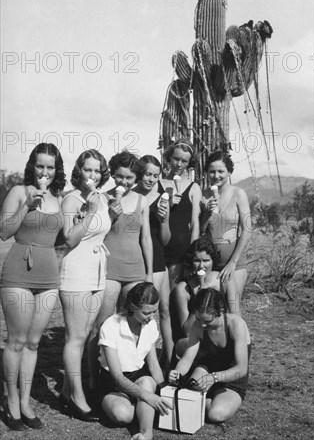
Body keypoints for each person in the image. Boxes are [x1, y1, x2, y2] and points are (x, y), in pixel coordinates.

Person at [0, 143, 65, 430]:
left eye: (50, 167)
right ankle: (11, 401)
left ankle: (25, 402)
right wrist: (27, 204)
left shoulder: (60, 197)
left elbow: (67, 237)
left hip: (49, 274)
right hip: (18, 272)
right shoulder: (18, 191)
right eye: (40, 166)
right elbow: (4, 232)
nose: (45, 172)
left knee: (33, 342)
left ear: (57, 169)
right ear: (32, 165)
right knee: (15, 341)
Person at [88, 151, 153, 390]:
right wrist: (110, 215)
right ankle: (95, 379)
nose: (123, 182)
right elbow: (94, 232)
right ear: (112, 175)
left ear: (135, 177)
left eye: (128, 178)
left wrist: (147, 273)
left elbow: (146, 239)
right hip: (109, 269)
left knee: (133, 324)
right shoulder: (102, 198)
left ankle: (129, 375)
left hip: (135, 269)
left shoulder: (141, 200)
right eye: (119, 176)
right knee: (102, 325)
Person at [59, 149, 111, 421]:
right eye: (87, 169)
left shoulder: (100, 198)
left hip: (98, 271)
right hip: (77, 271)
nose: (92, 175)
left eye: (97, 170)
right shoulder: (71, 200)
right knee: (76, 338)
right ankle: (78, 400)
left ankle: (68, 391)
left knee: (84, 333)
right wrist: (89, 212)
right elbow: (68, 240)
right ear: (78, 171)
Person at [98, 282, 172, 440]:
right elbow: (117, 377)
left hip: (139, 377)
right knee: (123, 416)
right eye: (146, 313)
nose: (152, 317)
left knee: (146, 382)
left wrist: (165, 389)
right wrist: (148, 396)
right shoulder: (110, 326)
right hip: (114, 382)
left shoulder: (150, 325)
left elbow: (153, 365)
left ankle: (146, 433)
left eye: (154, 311)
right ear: (132, 307)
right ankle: (141, 408)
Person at [169, 288, 251, 424]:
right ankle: (207, 398)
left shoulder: (236, 324)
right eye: (198, 319)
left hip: (231, 378)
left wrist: (214, 378)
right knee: (187, 396)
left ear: (221, 312)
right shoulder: (198, 326)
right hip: (207, 369)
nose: (202, 324)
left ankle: (208, 400)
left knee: (216, 415)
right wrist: (177, 373)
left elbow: (241, 369)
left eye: (208, 321)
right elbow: (187, 359)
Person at [133, 155, 174, 366]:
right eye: (147, 174)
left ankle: (168, 360)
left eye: (155, 175)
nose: (150, 179)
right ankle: (139, 360)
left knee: (163, 311)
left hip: (157, 258)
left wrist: (164, 220)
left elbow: (166, 240)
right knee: (139, 311)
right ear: (140, 173)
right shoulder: (131, 195)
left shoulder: (163, 197)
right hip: (134, 255)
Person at [172, 235, 240, 358]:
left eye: (206, 261)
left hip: (221, 335)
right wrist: (200, 297)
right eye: (197, 261)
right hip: (199, 338)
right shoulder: (183, 289)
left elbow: (237, 315)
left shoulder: (225, 280)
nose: (201, 266)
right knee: (181, 345)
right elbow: (186, 331)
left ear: (213, 261)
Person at [201, 150, 252, 304]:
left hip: (234, 264)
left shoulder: (238, 194)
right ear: (206, 173)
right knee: (210, 309)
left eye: (221, 171)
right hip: (210, 263)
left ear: (229, 172)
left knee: (233, 309)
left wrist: (233, 262)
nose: (216, 176)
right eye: (212, 172)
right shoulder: (203, 196)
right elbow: (199, 232)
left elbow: (247, 229)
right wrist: (206, 213)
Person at [160, 138, 202, 289]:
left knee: (174, 297)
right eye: (176, 159)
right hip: (159, 247)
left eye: (184, 161)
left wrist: (192, 254)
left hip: (181, 250)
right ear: (169, 157)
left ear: (189, 163)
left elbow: (195, 223)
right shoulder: (158, 184)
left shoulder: (194, 187)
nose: (178, 164)